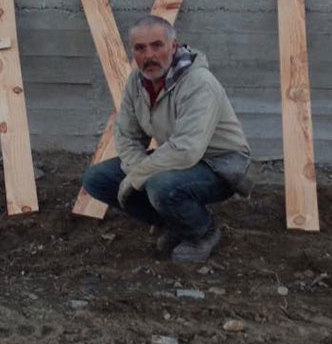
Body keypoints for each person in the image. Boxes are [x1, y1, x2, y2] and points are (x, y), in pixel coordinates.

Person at [82, 15, 251, 262]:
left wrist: (138, 177)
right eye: (140, 48)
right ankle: (176, 223)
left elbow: (187, 150)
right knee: (97, 179)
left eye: (157, 45)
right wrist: (137, 170)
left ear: (173, 46)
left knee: (160, 186)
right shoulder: (136, 82)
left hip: (220, 164)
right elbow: (127, 135)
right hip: (174, 159)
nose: (149, 55)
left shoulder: (199, 84)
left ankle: (203, 233)